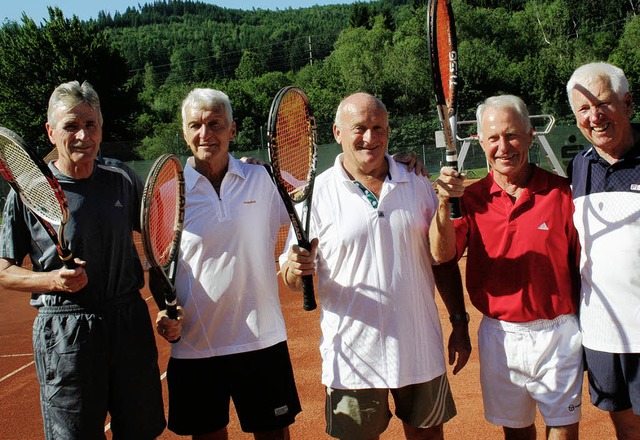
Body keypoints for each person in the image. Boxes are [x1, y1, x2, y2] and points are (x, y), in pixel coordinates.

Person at [280, 92, 471, 440]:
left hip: (419, 349)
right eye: (359, 128)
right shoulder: (314, 195)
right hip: (353, 359)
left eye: (377, 127)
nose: (370, 138)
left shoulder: (416, 182)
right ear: (337, 132)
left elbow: (441, 260)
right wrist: (296, 268)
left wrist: (459, 321)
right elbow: (291, 277)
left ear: (387, 130)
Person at [0, 81, 166, 439]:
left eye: (90, 125)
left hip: (127, 323)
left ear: (101, 128)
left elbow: (159, 238)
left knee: (140, 432)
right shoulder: (27, 192)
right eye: (71, 126)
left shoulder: (121, 177)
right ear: (50, 131)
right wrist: (50, 281)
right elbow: (3, 271)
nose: (82, 136)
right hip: (66, 333)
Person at [432, 95, 583, 440]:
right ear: (481, 142)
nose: (504, 146)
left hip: (557, 331)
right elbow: (442, 255)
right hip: (500, 334)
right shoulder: (468, 200)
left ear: (530, 136)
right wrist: (443, 203)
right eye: (494, 138)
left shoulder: (562, 194)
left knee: (563, 430)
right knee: (516, 432)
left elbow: (581, 266)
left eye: (513, 135)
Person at [154, 88, 302, 440]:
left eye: (215, 124)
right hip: (195, 349)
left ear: (232, 130)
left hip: (262, 341)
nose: (206, 134)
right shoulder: (167, 194)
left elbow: (318, 196)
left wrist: (395, 161)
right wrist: (165, 311)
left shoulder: (264, 178)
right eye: (195, 125)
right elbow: (160, 270)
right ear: (185, 131)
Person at [565, 62, 640, 440]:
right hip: (602, 334)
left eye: (604, 104)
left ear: (627, 103)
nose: (594, 116)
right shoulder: (579, 167)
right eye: (583, 108)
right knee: (624, 423)